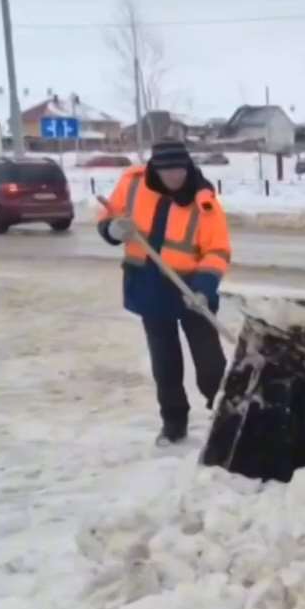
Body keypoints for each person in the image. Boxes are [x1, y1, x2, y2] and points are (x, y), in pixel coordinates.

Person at [97, 140, 232, 446]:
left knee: (210, 364)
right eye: (167, 170)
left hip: (191, 290)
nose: (174, 177)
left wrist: (204, 288)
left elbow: (218, 250)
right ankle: (174, 422)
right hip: (149, 288)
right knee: (165, 363)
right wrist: (112, 230)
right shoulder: (132, 183)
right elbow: (107, 217)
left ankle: (223, 415)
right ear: (154, 169)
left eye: (179, 170)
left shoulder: (204, 201)